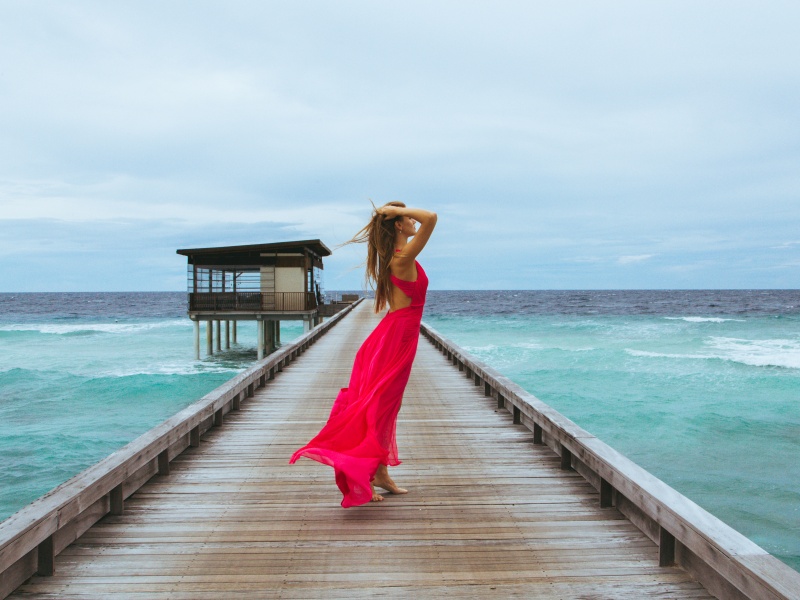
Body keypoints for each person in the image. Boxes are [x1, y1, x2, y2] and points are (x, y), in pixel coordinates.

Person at [290, 201, 437, 507]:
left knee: (387, 406)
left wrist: (392, 212)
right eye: (406, 218)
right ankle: (360, 473)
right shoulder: (401, 257)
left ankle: (380, 472)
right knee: (377, 405)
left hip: (399, 336)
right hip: (397, 338)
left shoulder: (397, 256)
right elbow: (432, 218)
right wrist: (392, 209)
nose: (412, 220)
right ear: (397, 224)